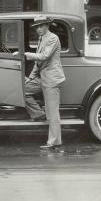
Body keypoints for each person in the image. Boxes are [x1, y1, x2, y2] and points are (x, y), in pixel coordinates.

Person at [24, 15, 66, 150]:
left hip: (52, 79)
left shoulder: (53, 38)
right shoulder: (41, 38)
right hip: (42, 78)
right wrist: (31, 77)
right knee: (23, 90)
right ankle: (38, 114)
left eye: (41, 26)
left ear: (47, 25)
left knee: (52, 112)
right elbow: (39, 62)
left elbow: (44, 56)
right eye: (37, 27)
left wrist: (26, 54)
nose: (39, 29)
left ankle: (54, 142)